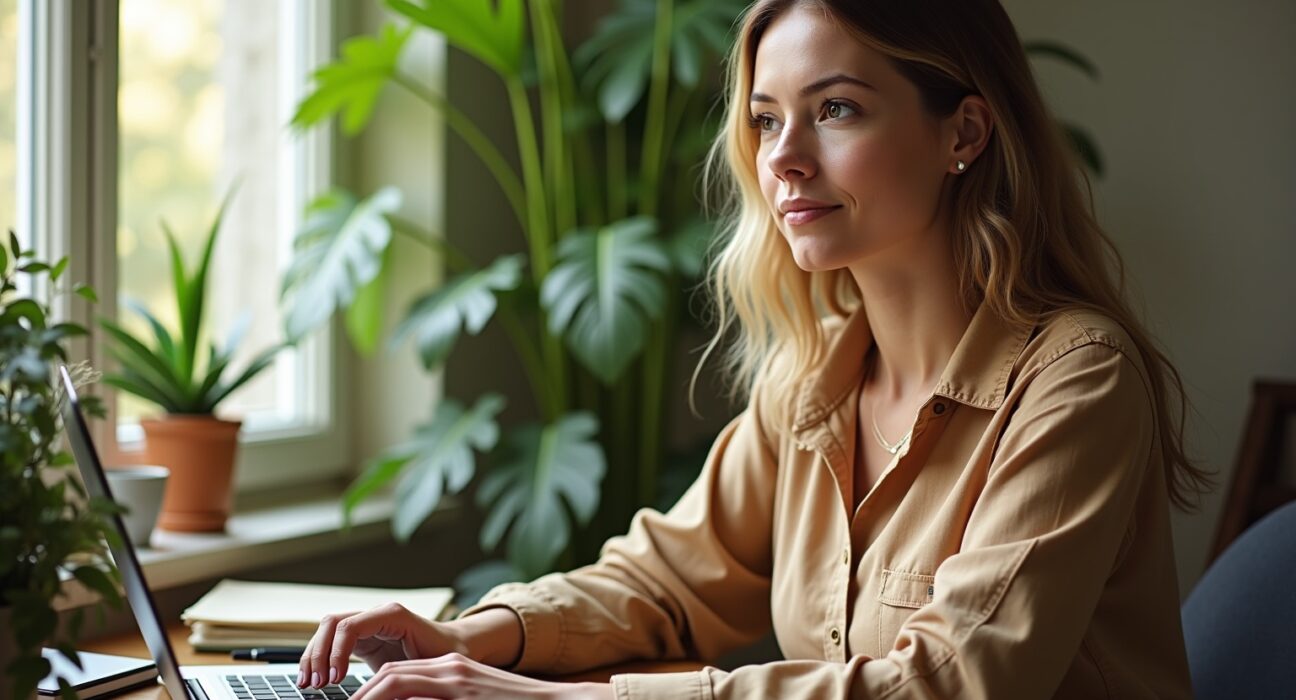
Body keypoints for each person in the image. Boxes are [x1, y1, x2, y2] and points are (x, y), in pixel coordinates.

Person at [298, 0, 1212, 697]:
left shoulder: (1076, 380)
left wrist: (543, 699)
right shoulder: (813, 379)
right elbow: (668, 580)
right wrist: (471, 637)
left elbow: (952, 684)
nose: (782, 158)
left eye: (837, 109)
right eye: (768, 118)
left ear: (963, 133)